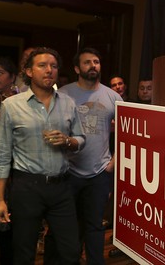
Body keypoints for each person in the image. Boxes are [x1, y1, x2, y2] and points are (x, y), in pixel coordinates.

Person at [0, 47, 86, 264]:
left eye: (53, 66)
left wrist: (68, 141)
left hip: (61, 187)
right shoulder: (11, 106)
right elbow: (2, 154)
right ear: (28, 71)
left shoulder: (68, 103)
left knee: (70, 251)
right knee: (24, 252)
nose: (49, 70)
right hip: (27, 187)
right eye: (42, 65)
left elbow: (81, 139)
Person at [51, 47, 121, 264]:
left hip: (99, 173)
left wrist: (113, 162)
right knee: (66, 226)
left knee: (94, 227)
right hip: (68, 172)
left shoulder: (113, 96)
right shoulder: (63, 93)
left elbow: (129, 133)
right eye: (87, 62)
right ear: (76, 68)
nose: (93, 66)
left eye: (97, 62)